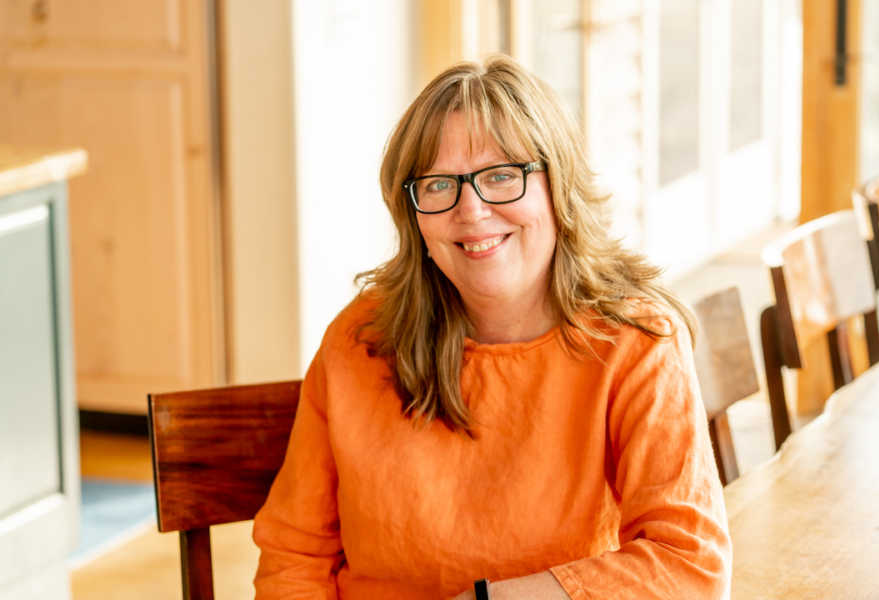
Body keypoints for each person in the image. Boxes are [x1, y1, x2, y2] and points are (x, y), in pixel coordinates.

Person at [253, 55, 731, 599]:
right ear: (413, 213)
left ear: (559, 185)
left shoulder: (635, 341)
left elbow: (689, 567)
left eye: (502, 176)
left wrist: (491, 599)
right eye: (437, 185)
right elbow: (296, 555)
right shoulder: (360, 336)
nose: (472, 211)